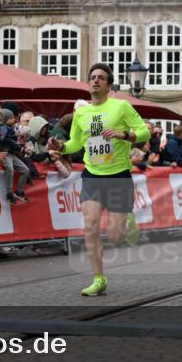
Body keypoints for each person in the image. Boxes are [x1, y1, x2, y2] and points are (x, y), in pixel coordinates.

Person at [47, 63, 149, 296]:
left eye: (101, 78)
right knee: (90, 226)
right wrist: (61, 146)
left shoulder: (121, 106)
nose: (95, 81)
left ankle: (129, 220)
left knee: (115, 236)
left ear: (109, 85)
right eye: (92, 77)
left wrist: (125, 134)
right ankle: (98, 278)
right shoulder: (81, 113)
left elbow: (144, 132)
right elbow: (76, 143)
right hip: (92, 175)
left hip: (118, 175)